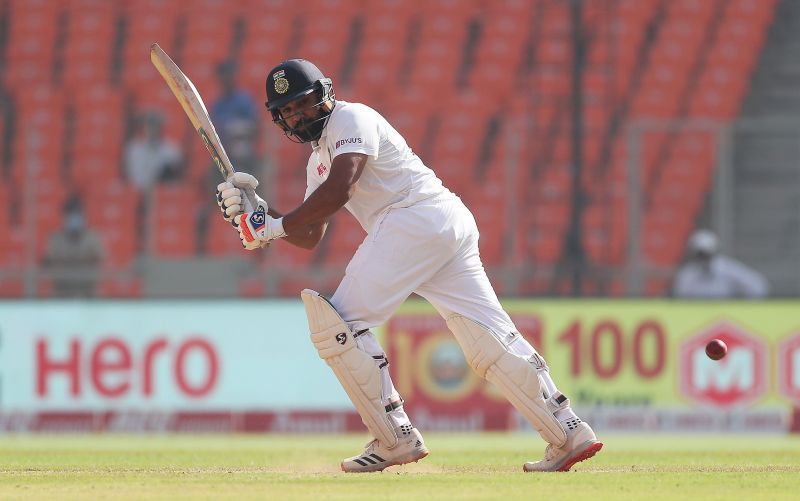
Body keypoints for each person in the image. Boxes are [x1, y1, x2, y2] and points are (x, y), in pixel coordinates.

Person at [214, 59, 602, 472]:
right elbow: (311, 234)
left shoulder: (352, 117)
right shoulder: (318, 160)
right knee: (487, 337)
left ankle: (395, 437)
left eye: (302, 103)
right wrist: (260, 211)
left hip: (413, 219)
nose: (296, 115)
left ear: (324, 94)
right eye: (287, 110)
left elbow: (341, 188)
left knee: (338, 326)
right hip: (439, 226)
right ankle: (568, 431)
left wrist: (269, 228)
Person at [673, 229, 769, 299]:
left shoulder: (728, 269)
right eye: (700, 255)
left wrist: (744, 308)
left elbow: (758, 287)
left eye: (706, 255)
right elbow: (681, 298)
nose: (703, 259)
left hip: (725, 314)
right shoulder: (688, 274)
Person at [43, 195, 105, 298]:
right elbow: (50, 262)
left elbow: (99, 259)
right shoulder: (56, 239)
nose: (74, 218)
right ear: (65, 216)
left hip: (88, 293)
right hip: (62, 293)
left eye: (77, 213)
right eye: (71, 214)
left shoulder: (93, 238)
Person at [123, 110, 182, 193]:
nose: (152, 129)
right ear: (143, 127)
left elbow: (173, 179)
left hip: (161, 193)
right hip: (137, 191)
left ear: (161, 127)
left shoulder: (171, 150)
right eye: (149, 125)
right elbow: (132, 176)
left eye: (155, 125)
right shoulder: (133, 149)